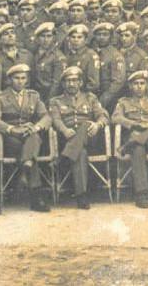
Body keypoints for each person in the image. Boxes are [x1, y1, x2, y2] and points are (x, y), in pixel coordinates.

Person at [0, 64, 52, 212]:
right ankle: (36, 197)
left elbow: (46, 117)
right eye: (16, 78)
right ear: (10, 79)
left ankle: (26, 167)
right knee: (31, 145)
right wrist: (10, 129)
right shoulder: (1, 97)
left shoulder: (33, 96)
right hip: (10, 138)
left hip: (29, 134)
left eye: (23, 78)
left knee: (34, 137)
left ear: (27, 80)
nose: (20, 81)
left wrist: (36, 127)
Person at [49, 66, 109, 209]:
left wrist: (97, 125)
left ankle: (63, 158)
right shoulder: (56, 101)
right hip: (68, 138)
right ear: (63, 84)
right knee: (80, 153)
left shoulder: (90, 98)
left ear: (80, 83)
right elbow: (55, 120)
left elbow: (103, 116)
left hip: (90, 137)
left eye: (75, 80)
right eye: (68, 81)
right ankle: (82, 196)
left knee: (84, 125)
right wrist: (64, 130)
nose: (71, 84)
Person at [112, 70, 148, 209]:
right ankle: (142, 195)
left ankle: (132, 143)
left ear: (147, 85)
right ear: (130, 86)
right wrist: (135, 124)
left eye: (142, 83)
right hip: (136, 137)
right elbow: (115, 117)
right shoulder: (124, 102)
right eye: (136, 84)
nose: (139, 86)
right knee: (138, 149)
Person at [91, 22, 127, 112]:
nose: (102, 37)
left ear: (110, 37)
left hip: (109, 99)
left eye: (105, 34)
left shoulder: (115, 55)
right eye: (99, 34)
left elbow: (118, 82)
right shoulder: (91, 52)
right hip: (92, 96)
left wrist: (103, 100)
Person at [0, 23, 34, 89]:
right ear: (0, 39)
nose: (10, 36)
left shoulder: (27, 55)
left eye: (12, 33)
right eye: (6, 34)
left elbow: (33, 79)